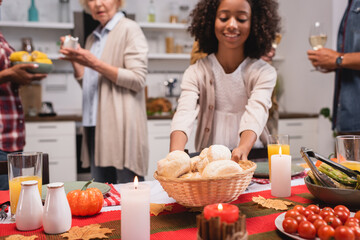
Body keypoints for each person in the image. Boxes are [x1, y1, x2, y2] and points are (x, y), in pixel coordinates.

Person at [170, 0, 281, 161]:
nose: (232, 25)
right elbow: (184, 113)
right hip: (210, 159)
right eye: (223, 18)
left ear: (254, 23)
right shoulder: (196, 71)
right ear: (210, 21)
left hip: (253, 157)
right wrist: (175, 155)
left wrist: (243, 148)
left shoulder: (264, 72)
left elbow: (257, 110)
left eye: (241, 19)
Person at [60, 0, 149, 183]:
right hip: (94, 125)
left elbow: (138, 79)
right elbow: (91, 84)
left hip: (120, 126)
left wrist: (94, 63)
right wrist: (76, 60)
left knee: (129, 196)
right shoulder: (93, 38)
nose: (98, 4)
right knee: (102, 196)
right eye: (91, 0)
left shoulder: (129, 29)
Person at [0, 0, 47, 190]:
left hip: (10, 137)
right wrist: (10, 74)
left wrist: (22, 76)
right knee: (5, 207)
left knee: (13, 202)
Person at [307, 0, 360, 134]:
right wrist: (332, 64)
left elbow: (342, 58)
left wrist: (338, 59)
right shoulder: (351, 4)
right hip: (346, 119)